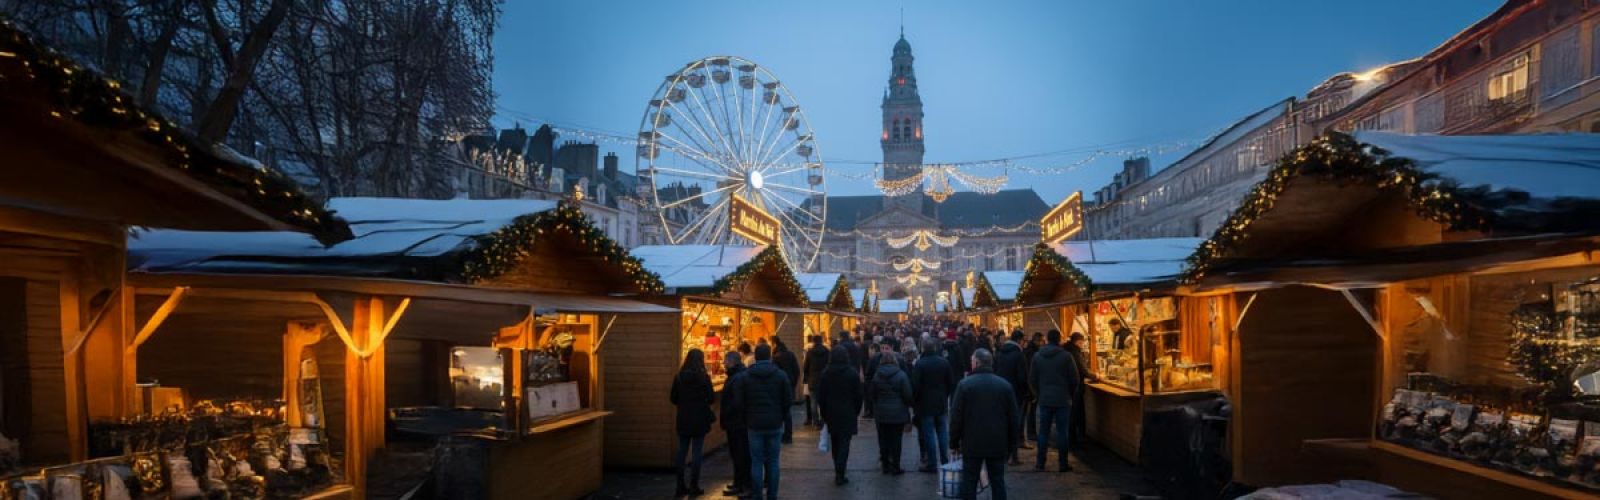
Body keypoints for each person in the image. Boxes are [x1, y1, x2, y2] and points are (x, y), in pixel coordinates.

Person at [950, 348, 1020, 500]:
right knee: (998, 481)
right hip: (998, 442)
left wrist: (954, 442)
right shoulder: (1005, 386)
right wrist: (1012, 445)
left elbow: (956, 417)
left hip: (972, 442)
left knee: (969, 482)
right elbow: (1014, 418)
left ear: (976, 363)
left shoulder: (964, 385)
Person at [739, 344, 791, 500]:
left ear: (756, 357)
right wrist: (781, 416)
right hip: (774, 423)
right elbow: (787, 400)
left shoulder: (746, 376)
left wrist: (746, 417)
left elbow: (741, 401)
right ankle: (772, 495)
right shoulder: (780, 375)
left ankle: (757, 495)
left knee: (756, 461)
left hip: (754, 424)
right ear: (769, 356)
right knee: (773, 461)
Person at [1029, 330, 1081, 472]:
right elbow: (1075, 379)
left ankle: (1040, 463)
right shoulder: (1066, 356)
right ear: (1059, 340)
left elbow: (1032, 379)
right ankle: (1063, 464)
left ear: (1046, 339)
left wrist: (1038, 395)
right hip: (1063, 400)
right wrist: (1069, 394)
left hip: (1045, 399)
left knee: (1043, 432)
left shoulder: (1038, 356)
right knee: (1062, 432)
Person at [814, 345, 863, 485]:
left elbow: (821, 397)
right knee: (844, 443)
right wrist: (856, 411)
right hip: (848, 412)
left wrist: (824, 413)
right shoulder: (852, 373)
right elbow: (858, 395)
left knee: (835, 443)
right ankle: (841, 472)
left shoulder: (826, 373)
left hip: (831, 413)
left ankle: (838, 469)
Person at [670, 349, 715, 497]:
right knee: (696, 453)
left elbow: (673, 398)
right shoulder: (703, 377)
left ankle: (679, 486)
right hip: (699, 419)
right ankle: (694, 485)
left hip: (683, 418)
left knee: (681, 452)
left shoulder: (679, 377)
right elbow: (711, 398)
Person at [911, 337, 956, 472]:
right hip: (941, 402)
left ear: (923, 348)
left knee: (929, 433)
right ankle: (944, 460)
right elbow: (950, 383)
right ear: (935, 348)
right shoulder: (944, 362)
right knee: (942, 432)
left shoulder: (920, 364)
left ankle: (932, 463)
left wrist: (915, 402)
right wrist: (945, 396)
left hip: (925, 404)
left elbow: (915, 386)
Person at [868, 352, 913, 474]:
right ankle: (896, 466)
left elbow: (872, 394)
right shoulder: (901, 375)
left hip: (881, 413)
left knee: (883, 439)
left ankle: (885, 465)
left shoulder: (877, 375)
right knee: (896, 440)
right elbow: (908, 395)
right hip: (898, 413)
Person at [992, 331, 1029, 465]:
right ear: (1019, 340)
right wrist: (1027, 392)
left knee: (1003, 423)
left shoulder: (1000, 353)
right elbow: (1022, 377)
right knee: (1014, 424)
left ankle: (1003, 453)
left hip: (1000, 392)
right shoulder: (1019, 355)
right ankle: (1013, 456)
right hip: (1015, 394)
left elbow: (994, 371)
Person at [719, 352, 752, 497]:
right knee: (738, 455)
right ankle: (739, 483)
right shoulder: (738, 375)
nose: (723, 363)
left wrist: (728, 413)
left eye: (725, 361)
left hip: (737, 424)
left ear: (732, 362)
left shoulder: (737, 377)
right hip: (738, 423)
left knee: (740, 455)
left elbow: (737, 402)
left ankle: (745, 485)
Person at [1065, 332, 1095, 445]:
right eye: (1082, 342)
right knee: (1076, 412)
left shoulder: (1067, 350)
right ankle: (1076, 438)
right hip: (1075, 386)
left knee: (1072, 413)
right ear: (1078, 341)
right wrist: (1095, 376)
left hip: (1068, 387)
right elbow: (1082, 370)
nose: (1083, 344)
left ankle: (1073, 437)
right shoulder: (1075, 352)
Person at [773, 339, 802, 444]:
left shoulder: (776, 358)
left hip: (779, 388)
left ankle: (780, 434)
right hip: (790, 386)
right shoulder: (791, 355)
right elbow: (797, 370)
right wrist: (793, 384)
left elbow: (774, 374)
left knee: (780, 411)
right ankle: (788, 435)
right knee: (788, 412)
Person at [802, 335, 829, 428]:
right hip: (825, 380)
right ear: (821, 341)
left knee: (813, 401)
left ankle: (816, 422)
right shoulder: (826, 351)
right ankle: (824, 419)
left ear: (813, 341)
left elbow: (805, 367)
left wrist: (805, 378)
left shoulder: (810, 352)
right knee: (823, 401)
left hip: (812, 380)